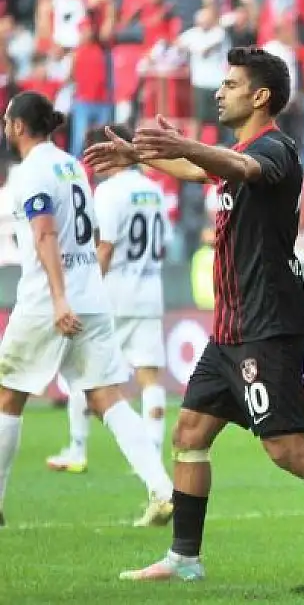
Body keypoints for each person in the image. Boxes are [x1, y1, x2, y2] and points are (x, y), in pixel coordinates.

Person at [84, 47, 304, 582]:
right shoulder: (234, 156)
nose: (219, 91)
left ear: (260, 96)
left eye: (231, 83)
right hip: (231, 329)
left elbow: (236, 166)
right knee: (190, 432)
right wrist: (141, 156)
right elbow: (204, 171)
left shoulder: (275, 150)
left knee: (286, 448)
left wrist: (185, 144)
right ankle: (184, 559)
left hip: (268, 325)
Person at [0, 92, 175, 529]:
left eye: (6, 121)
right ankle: (161, 488)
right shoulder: (71, 166)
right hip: (94, 295)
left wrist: (59, 297)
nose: (4, 128)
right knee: (106, 395)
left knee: (8, 395)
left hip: (48, 298)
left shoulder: (31, 172)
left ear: (19, 126)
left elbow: (44, 234)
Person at [46, 124, 171, 474]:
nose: (93, 165)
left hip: (113, 295)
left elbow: (106, 248)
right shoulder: (154, 191)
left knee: (82, 369)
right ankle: (152, 453)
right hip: (149, 292)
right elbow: (163, 241)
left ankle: (77, 448)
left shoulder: (108, 193)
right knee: (149, 379)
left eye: (94, 156)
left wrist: (83, 291)